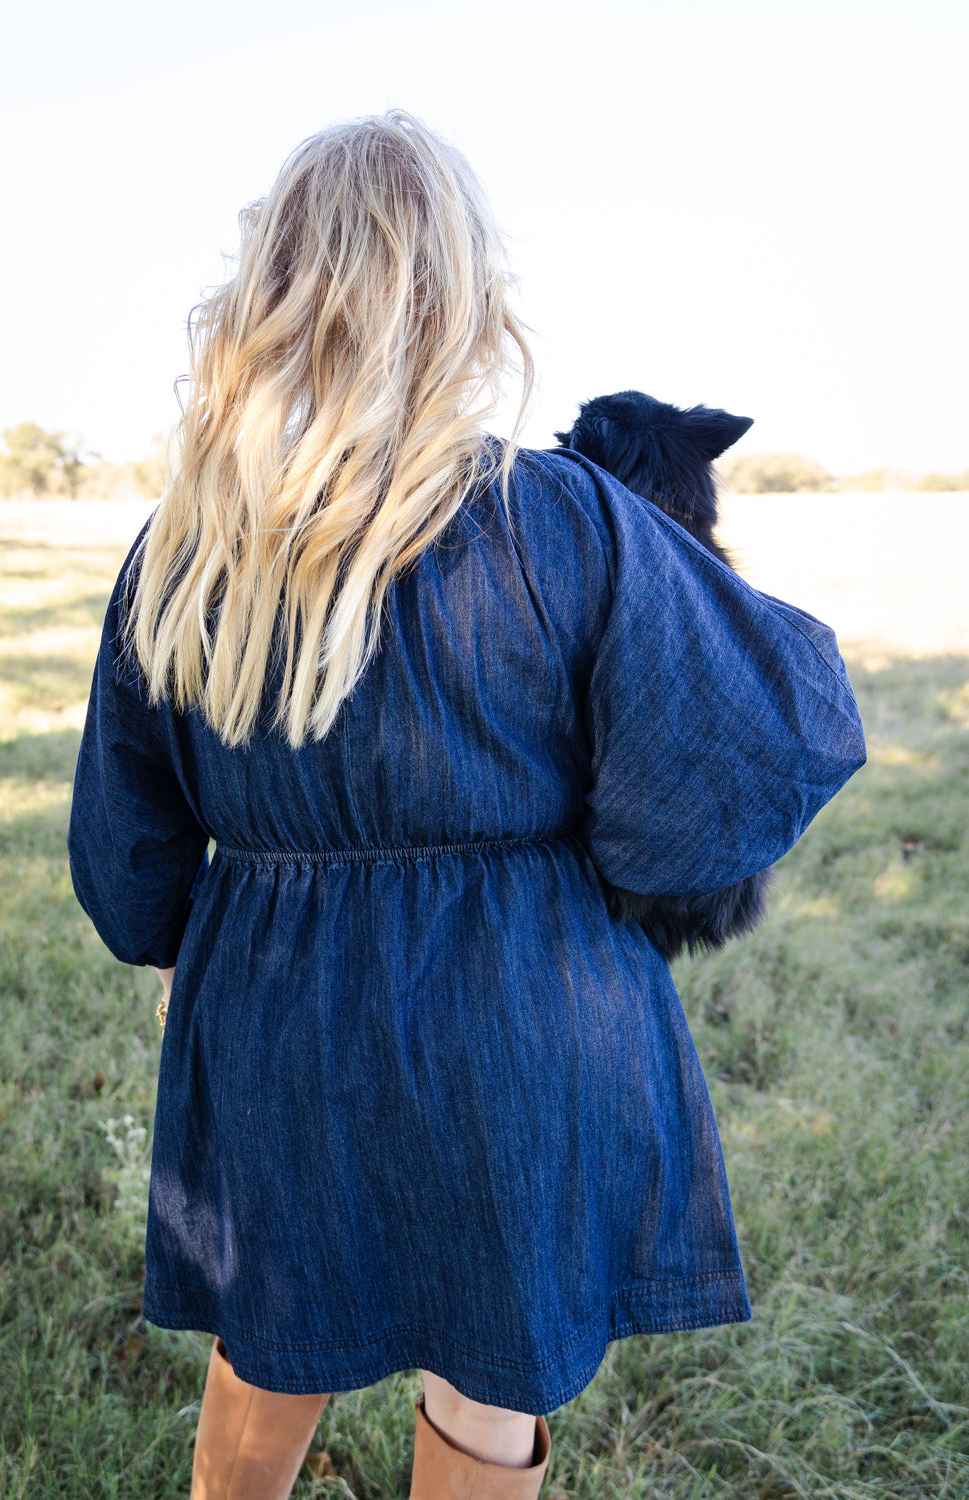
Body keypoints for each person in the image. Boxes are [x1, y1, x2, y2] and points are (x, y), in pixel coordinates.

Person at [67, 109, 867, 1500]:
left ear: (268, 290)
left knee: (277, 1318)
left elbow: (130, 861)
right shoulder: (568, 519)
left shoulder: (180, 547)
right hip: (523, 1013)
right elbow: (757, 734)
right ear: (461, 296)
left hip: (275, 1013)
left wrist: (201, 936)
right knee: (488, 1379)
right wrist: (612, 863)